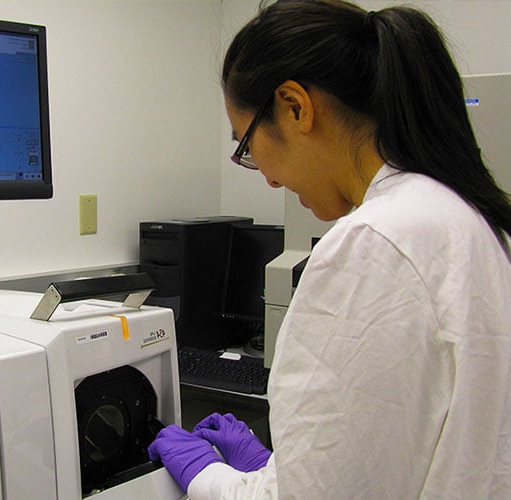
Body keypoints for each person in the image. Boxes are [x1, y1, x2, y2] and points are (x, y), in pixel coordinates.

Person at [148, 0, 511, 498]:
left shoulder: (373, 242)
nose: (270, 177)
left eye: (247, 146)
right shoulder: (459, 218)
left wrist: (205, 475)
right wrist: (274, 467)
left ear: (295, 107)